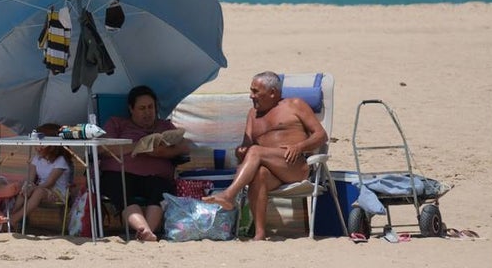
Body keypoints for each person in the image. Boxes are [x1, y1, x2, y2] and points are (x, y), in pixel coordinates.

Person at [202, 71, 327, 240]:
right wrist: (241, 152)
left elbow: (321, 135)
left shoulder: (294, 105)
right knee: (259, 172)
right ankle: (260, 235)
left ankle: (229, 195)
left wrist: (299, 147)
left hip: (294, 166)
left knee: (256, 151)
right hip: (269, 170)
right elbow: (246, 148)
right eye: (251, 91)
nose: (251, 96)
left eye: (255, 92)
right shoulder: (252, 115)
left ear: (273, 93)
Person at [99, 85, 190, 241]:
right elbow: (102, 148)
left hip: (156, 177)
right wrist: (138, 146)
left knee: (162, 189)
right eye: (142, 108)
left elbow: (185, 146)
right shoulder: (117, 123)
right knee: (121, 190)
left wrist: (163, 152)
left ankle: (147, 232)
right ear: (131, 109)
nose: (148, 112)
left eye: (151, 107)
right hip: (120, 174)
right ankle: (145, 230)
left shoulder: (164, 126)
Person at [8, 127, 72, 228]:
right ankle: (11, 216)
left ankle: (15, 219)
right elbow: (30, 178)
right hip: (40, 188)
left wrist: (33, 188)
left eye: (41, 144)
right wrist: (28, 185)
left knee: (38, 191)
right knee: (24, 186)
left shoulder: (60, 160)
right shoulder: (37, 159)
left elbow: (50, 182)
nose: (38, 147)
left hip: (57, 192)